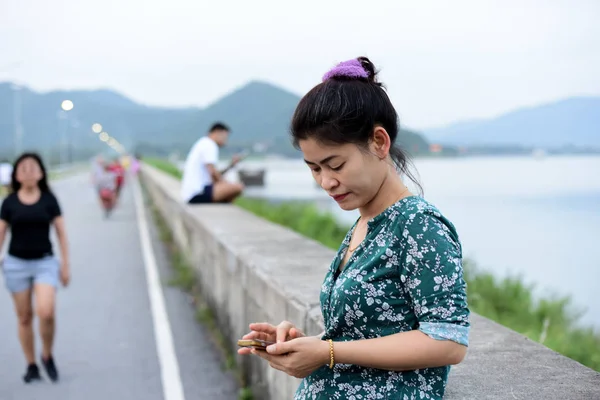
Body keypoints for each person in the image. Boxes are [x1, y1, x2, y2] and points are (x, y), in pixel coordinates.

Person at [238, 57, 470, 399]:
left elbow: (448, 340)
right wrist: (307, 345)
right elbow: (367, 337)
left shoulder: (418, 225)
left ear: (379, 142)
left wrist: (329, 352)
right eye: (314, 168)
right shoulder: (365, 222)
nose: (326, 182)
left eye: (336, 164)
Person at [0, 152, 70, 383]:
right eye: (23, 168)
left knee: (46, 311)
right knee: (24, 317)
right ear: (16, 175)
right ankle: (31, 364)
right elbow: (1, 234)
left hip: (45, 262)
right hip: (16, 264)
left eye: (33, 167)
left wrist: (65, 265)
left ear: (41, 173)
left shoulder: (49, 199)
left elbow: (61, 233)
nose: (28, 171)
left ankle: (47, 354)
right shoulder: (9, 203)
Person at [180, 122, 245, 204]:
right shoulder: (209, 144)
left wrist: (231, 165)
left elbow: (214, 173)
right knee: (238, 187)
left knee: (229, 187)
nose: (226, 140)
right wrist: (225, 183)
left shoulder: (203, 143)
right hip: (197, 193)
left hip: (194, 193)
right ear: (217, 132)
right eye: (225, 137)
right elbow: (212, 172)